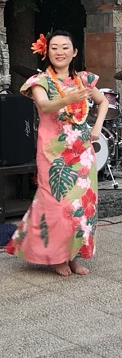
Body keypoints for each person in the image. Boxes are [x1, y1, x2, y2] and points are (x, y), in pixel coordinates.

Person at [6, 30, 108, 275]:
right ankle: (56, 256)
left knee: (80, 205)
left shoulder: (83, 79)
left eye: (65, 47)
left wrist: (97, 127)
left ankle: (73, 256)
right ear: (47, 52)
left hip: (82, 152)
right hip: (53, 154)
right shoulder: (39, 81)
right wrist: (68, 98)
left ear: (74, 52)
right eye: (54, 48)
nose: (59, 52)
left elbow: (103, 101)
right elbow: (44, 105)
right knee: (55, 203)